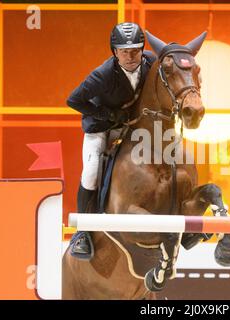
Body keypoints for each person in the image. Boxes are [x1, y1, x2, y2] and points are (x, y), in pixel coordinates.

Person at [66, 22, 156, 260]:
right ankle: (82, 233)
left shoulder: (150, 63)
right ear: (114, 52)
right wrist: (108, 115)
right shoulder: (102, 75)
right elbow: (73, 100)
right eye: (124, 51)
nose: (130, 56)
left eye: (135, 50)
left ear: (142, 49)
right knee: (92, 171)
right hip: (101, 128)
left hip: (129, 126)